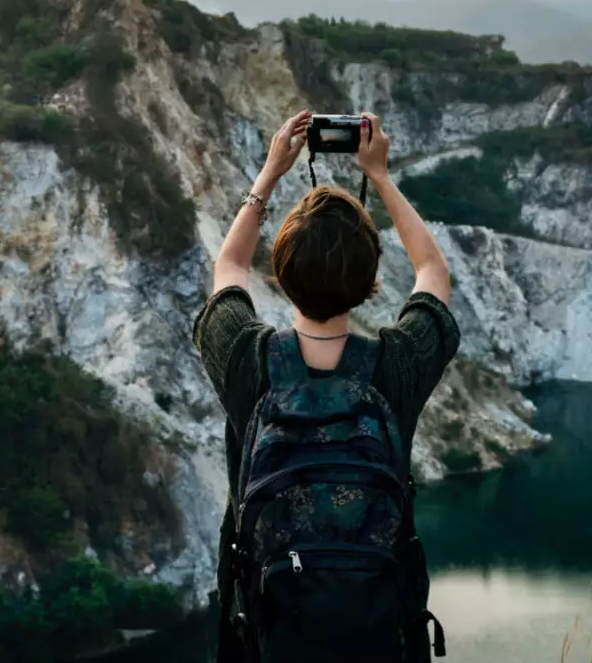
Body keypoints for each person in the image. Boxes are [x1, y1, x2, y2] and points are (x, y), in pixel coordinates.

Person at [192, 109, 457, 663]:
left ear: (282, 274)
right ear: (370, 279)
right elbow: (432, 273)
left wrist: (269, 174)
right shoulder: (395, 368)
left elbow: (230, 266)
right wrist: (379, 175)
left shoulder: (249, 361)